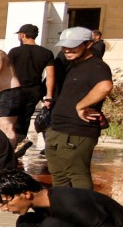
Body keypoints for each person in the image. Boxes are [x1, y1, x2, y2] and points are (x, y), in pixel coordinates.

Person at [41, 27, 113, 191]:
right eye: (64, 46)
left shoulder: (96, 66)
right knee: (58, 176)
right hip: (57, 128)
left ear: (88, 44)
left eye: (73, 46)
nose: (67, 50)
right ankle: (64, 212)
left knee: (77, 176)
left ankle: (84, 214)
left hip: (77, 132)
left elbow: (105, 86)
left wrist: (82, 105)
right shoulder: (72, 65)